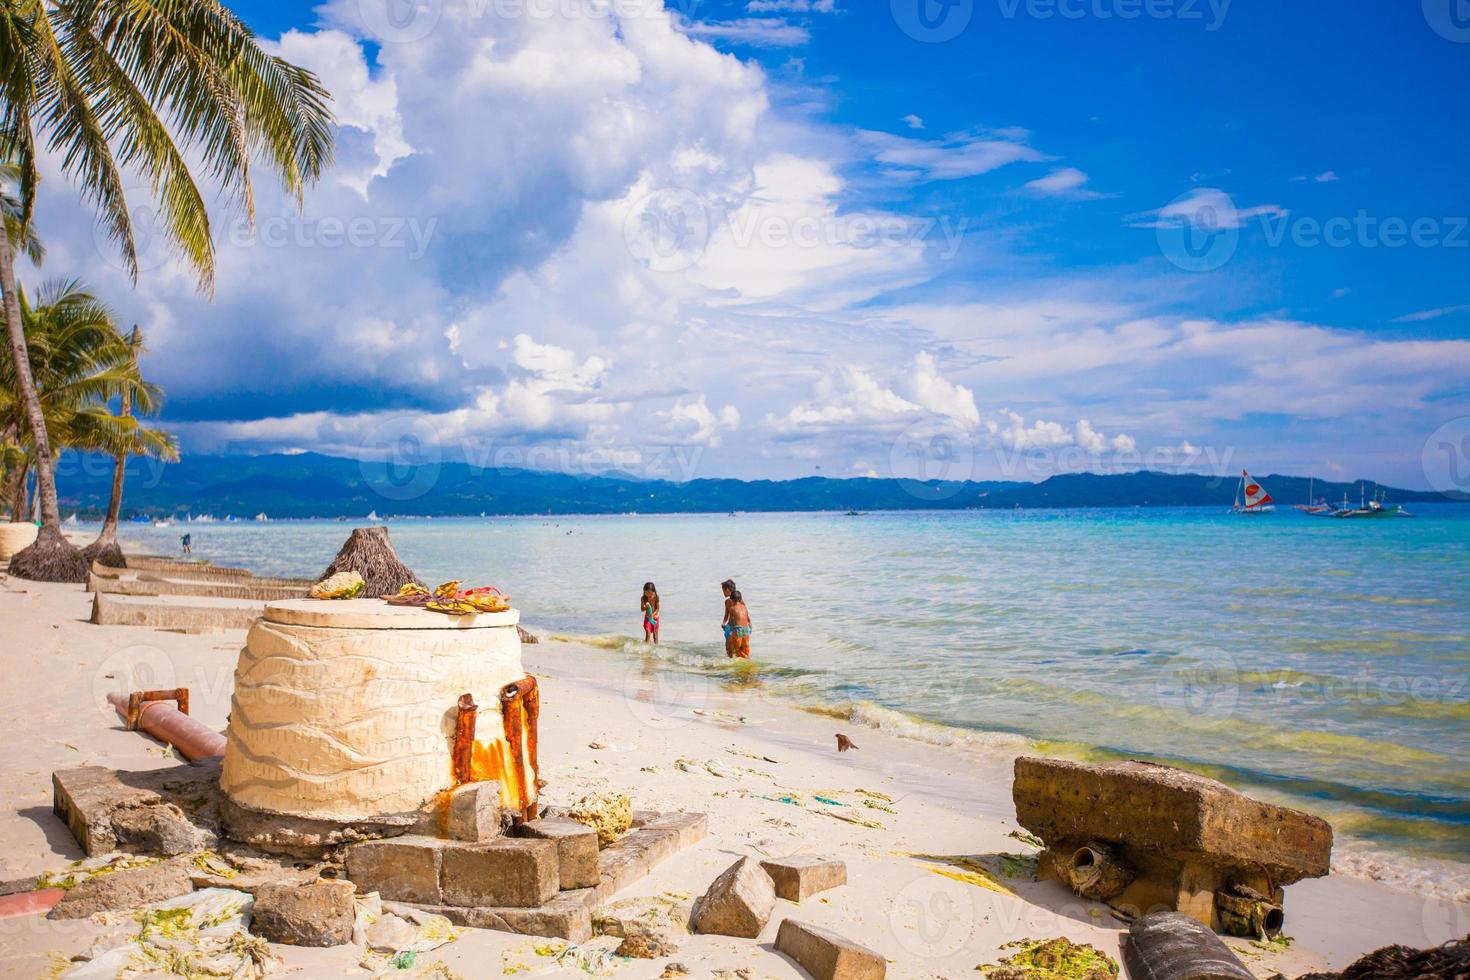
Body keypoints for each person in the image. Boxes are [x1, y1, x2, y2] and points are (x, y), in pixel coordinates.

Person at [726, 589, 752, 659]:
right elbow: (748, 619)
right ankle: (747, 657)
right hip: (746, 629)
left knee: (736, 650)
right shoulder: (745, 607)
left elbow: (730, 621)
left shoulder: (732, 608)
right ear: (740, 599)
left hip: (738, 630)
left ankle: (748, 660)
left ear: (732, 600)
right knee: (745, 649)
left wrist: (725, 627)